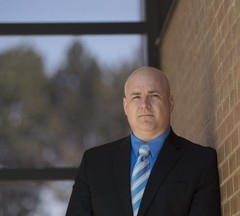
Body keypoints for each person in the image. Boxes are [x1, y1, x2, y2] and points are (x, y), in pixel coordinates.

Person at [66, 66, 221, 216]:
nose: (144, 105)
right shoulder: (93, 163)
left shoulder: (200, 162)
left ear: (170, 103)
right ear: (125, 106)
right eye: (136, 96)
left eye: (154, 95)